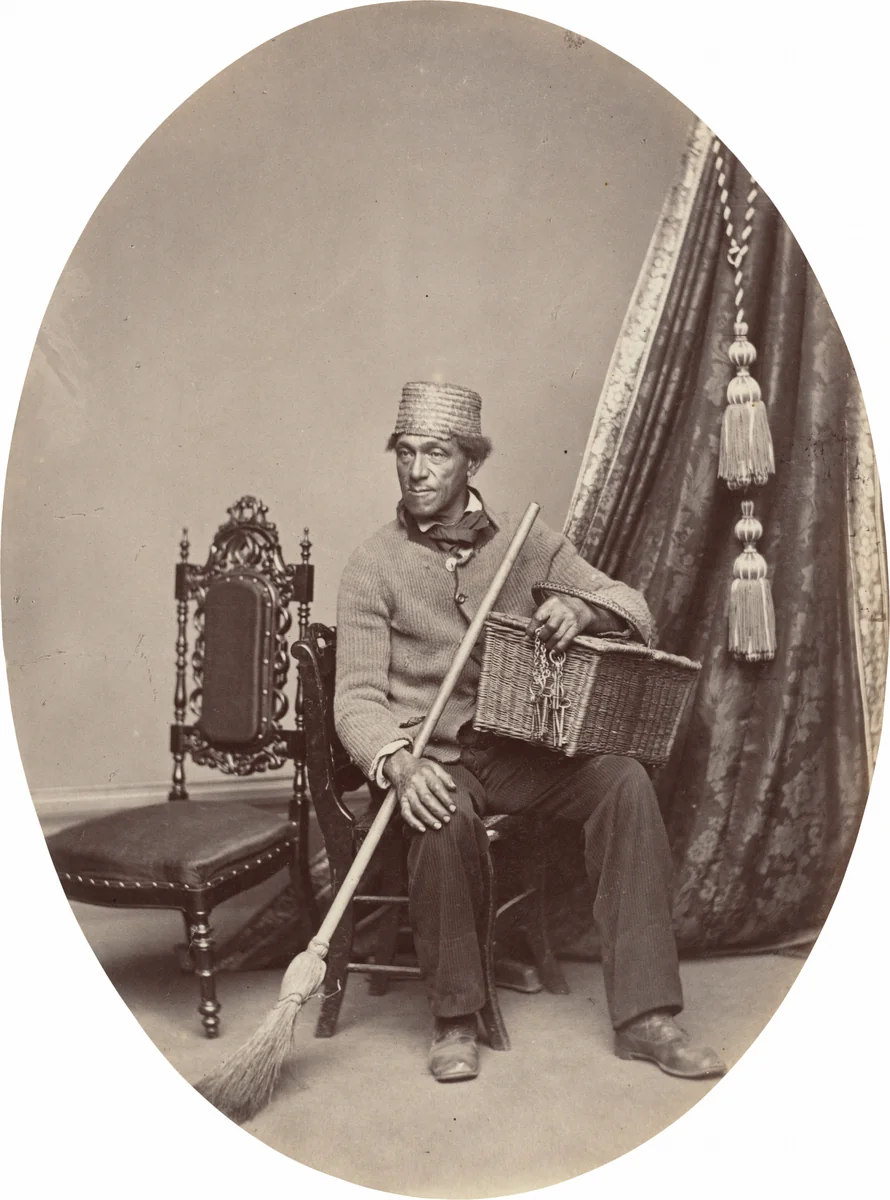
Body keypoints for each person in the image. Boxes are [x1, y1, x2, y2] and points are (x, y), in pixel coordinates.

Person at [334, 380, 726, 1083]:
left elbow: (629, 603)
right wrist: (395, 763)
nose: (417, 470)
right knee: (437, 814)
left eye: (437, 453)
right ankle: (454, 1018)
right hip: (435, 756)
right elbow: (356, 700)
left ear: (471, 464)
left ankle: (646, 1017)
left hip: (521, 753)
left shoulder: (524, 543)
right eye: (406, 451)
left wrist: (584, 612)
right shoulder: (372, 566)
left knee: (623, 782)